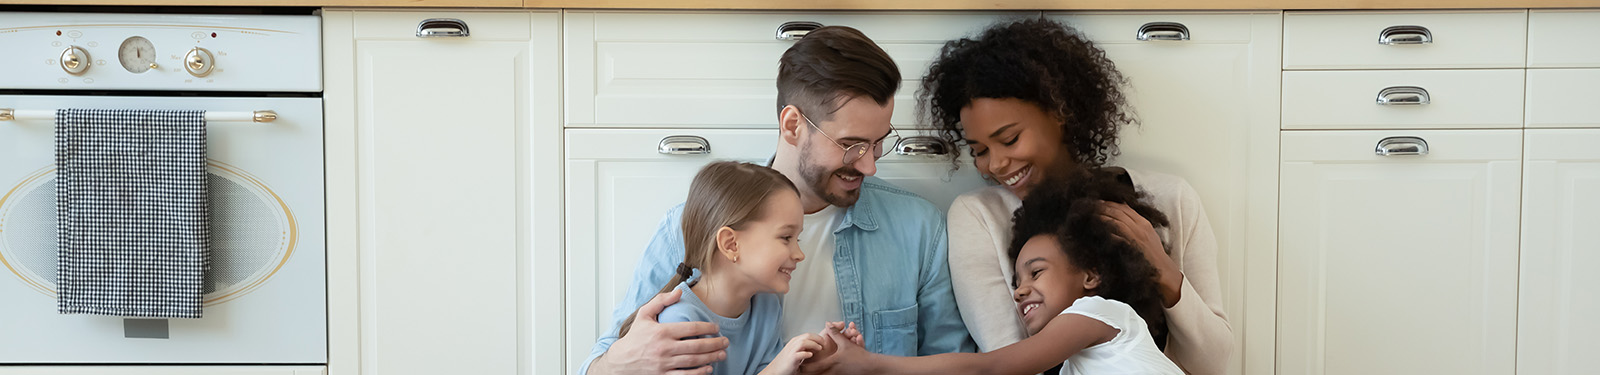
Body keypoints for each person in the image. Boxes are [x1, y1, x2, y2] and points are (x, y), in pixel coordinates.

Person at [580, 25, 976, 375]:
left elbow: (954, 360)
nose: (869, 166)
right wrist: (622, 363)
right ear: (792, 125)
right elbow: (596, 365)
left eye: (878, 143)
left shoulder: (918, 227)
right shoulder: (691, 224)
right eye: (852, 145)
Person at [922, 17, 1232, 374]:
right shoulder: (979, 217)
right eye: (979, 150)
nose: (997, 164)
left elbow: (1213, 365)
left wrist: (1163, 270)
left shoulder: (1171, 199)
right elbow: (1008, 361)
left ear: (1060, 114)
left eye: (1009, 140)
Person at [815, 168, 1185, 375]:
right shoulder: (1076, 359)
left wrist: (870, 363)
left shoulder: (1099, 312)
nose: (1020, 291)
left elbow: (990, 367)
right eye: (1016, 281)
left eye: (1036, 273)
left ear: (1090, 276)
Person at [614, 161, 820, 375]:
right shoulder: (679, 321)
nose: (799, 254)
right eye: (786, 237)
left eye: (798, 239)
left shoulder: (767, 307)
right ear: (731, 244)